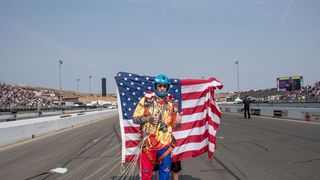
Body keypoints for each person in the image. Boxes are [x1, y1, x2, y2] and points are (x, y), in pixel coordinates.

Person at [132, 74, 181, 180]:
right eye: (160, 85)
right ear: (155, 86)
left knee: (165, 175)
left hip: (165, 146)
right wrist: (147, 119)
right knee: (146, 176)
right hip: (148, 145)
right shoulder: (146, 101)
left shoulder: (173, 104)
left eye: (165, 86)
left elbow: (175, 126)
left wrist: (178, 122)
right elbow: (135, 119)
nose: (162, 88)